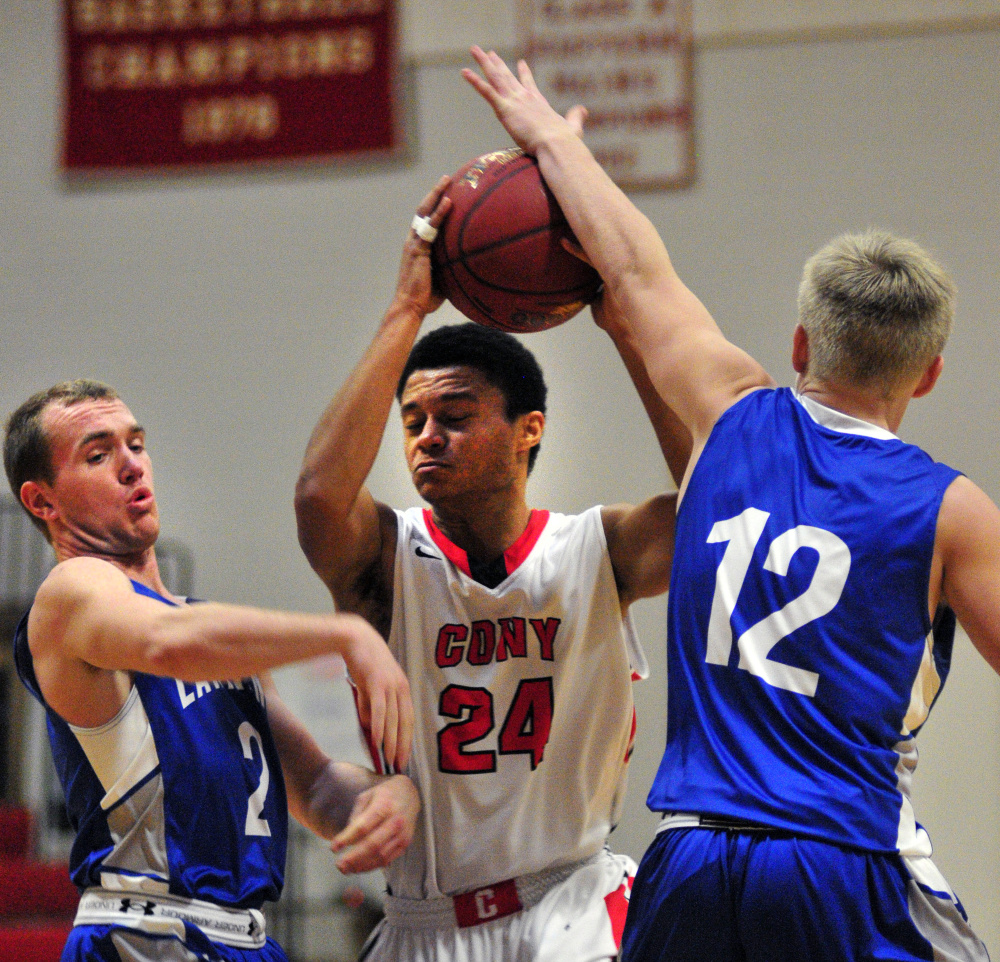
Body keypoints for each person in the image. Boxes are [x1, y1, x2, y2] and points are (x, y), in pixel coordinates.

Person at [463, 46, 1000, 962]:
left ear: (801, 342)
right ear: (932, 372)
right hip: (843, 855)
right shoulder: (952, 508)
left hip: (691, 854)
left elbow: (632, 272)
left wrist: (554, 140)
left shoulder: (730, 413)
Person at [293, 172, 692, 960]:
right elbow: (315, 498)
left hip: (568, 904)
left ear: (527, 430)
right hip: (421, 919)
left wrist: (628, 332)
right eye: (414, 420)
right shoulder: (384, 558)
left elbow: (720, 499)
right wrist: (406, 310)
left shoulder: (598, 548)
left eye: (456, 415)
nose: (426, 437)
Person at [3, 379, 420, 962]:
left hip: (247, 937)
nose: (131, 466)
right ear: (42, 501)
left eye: (136, 444)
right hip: (143, 936)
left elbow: (319, 788)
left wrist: (395, 794)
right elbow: (162, 644)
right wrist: (343, 634)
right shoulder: (72, 592)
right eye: (98, 455)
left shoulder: (211, 637)